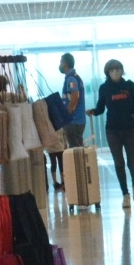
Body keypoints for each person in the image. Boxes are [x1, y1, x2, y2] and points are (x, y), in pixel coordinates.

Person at [85, 59, 134, 208]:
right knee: (119, 163)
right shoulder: (104, 88)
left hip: (130, 129)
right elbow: (101, 107)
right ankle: (125, 194)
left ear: (122, 70)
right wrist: (94, 111)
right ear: (108, 73)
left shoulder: (129, 86)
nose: (115, 72)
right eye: (112, 70)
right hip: (112, 130)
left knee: (132, 163)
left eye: (118, 69)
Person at [53, 53, 86, 189]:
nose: (60, 65)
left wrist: (68, 113)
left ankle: (80, 182)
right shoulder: (74, 77)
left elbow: (75, 96)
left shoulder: (71, 79)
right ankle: (80, 180)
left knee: (76, 152)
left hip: (74, 122)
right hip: (76, 121)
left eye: (61, 62)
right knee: (76, 150)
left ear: (65, 63)